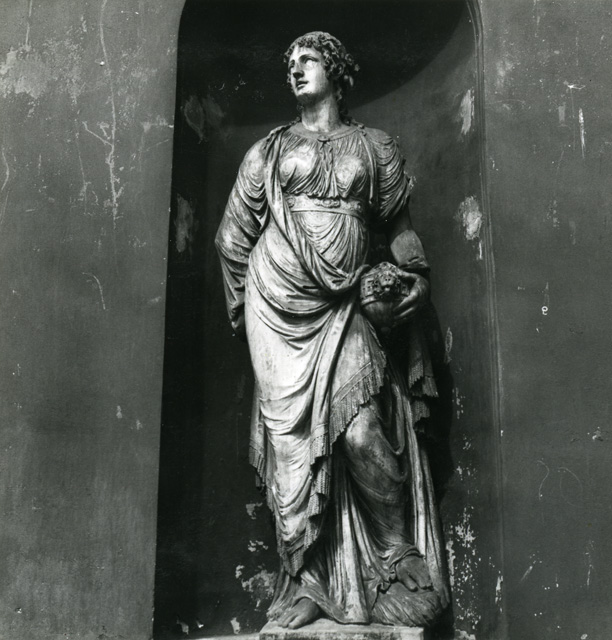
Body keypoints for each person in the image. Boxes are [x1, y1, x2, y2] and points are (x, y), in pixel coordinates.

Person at [216, 31, 449, 630]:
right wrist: (251, 316)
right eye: (290, 63)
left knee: (363, 427)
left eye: (309, 59)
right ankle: (307, 580)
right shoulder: (268, 152)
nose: (296, 70)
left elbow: (400, 229)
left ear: (338, 72)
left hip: (346, 308)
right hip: (276, 311)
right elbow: (232, 237)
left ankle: (395, 555)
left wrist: (416, 278)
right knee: (292, 448)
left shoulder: (373, 147)